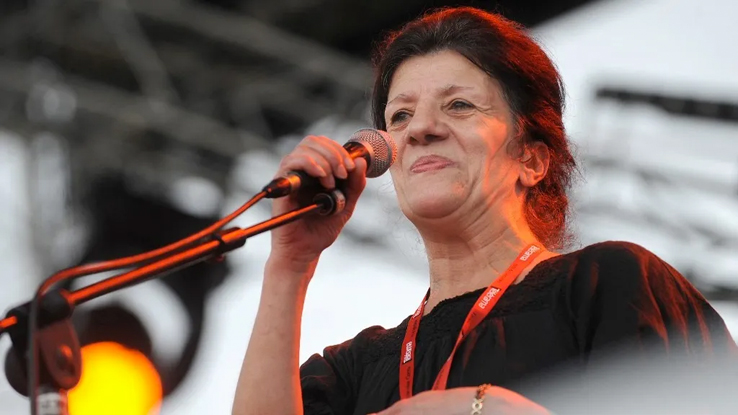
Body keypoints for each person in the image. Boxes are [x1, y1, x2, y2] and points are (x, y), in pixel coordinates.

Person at [232, 7, 736, 415]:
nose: (420, 129)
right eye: (400, 115)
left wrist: (488, 408)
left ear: (531, 159)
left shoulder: (610, 287)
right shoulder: (353, 372)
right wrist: (290, 264)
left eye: (459, 105)